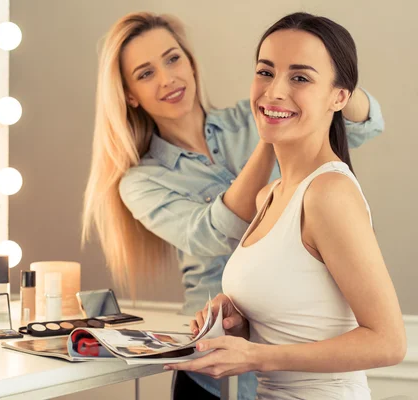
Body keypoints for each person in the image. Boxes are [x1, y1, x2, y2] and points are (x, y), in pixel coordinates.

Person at [81, 12, 384, 400]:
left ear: (191, 63)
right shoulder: (142, 181)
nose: (167, 78)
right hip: (214, 359)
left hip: (287, 360)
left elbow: (367, 125)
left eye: (173, 59)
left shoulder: (260, 119)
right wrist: (273, 128)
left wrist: (322, 81)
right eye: (145, 73)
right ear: (128, 94)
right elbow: (211, 234)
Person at [166, 12, 406, 399]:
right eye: (265, 72)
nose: (274, 91)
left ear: (339, 97)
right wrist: (239, 323)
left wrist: (258, 356)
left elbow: (388, 342)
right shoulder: (271, 194)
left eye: (300, 77)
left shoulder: (329, 193)